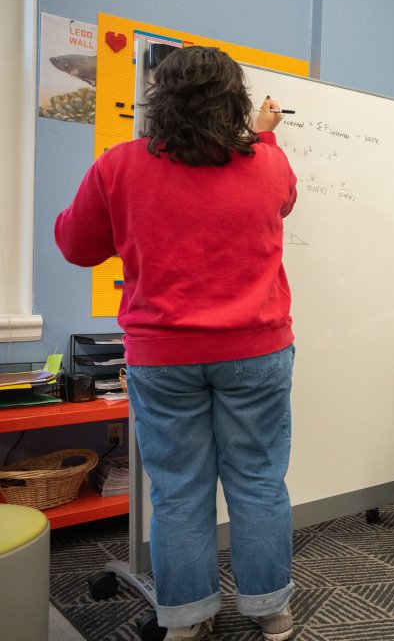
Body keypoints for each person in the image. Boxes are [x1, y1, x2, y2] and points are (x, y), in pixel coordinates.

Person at [55, 46, 298, 641]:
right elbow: (284, 197)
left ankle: (188, 622)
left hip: (164, 359)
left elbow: (75, 245)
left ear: (159, 99)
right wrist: (263, 138)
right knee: (259, 480)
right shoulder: (268, 165)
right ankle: (271, 611)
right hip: (256, 352)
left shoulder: (119, 165)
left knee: (179, 490)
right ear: (234, 102)